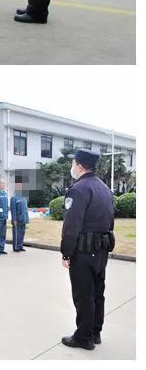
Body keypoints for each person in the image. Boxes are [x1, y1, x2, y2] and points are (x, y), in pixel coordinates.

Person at [60, 149, 115, 350]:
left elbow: (71, 226)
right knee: (98, 293)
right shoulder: (104, 188)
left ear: (80, 166)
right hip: (101, 250)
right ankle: (95, 332)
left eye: (73, 163)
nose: (72, 167)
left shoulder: (78, 189)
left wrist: (66, 253)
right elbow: (110, 220)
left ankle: (83, 338)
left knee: (84, 295)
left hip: (83, 252)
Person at [10, 180, 30, 252]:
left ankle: (20, 246)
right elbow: (13, 210)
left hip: (23, 219)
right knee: (16, 234)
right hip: (17, 220)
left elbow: (26, 209)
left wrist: (27, 218)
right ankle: (16, 247)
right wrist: (14, 220)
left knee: (22, 233)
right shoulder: (14, 198)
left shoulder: (24, 198)